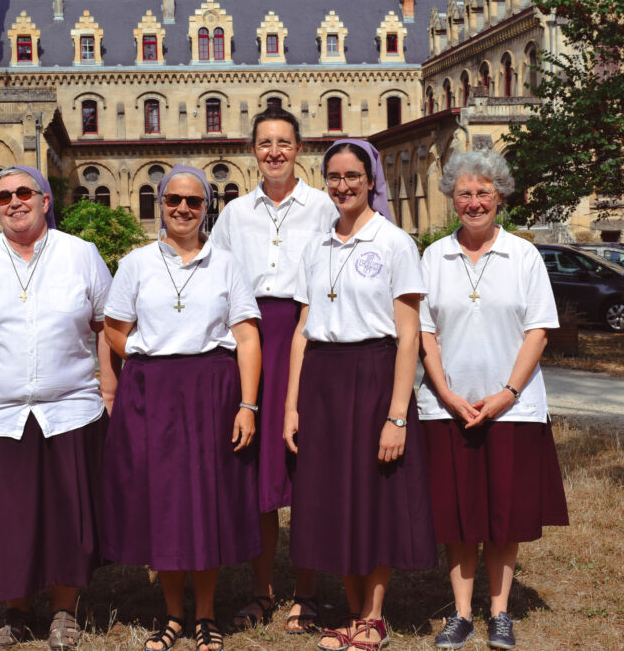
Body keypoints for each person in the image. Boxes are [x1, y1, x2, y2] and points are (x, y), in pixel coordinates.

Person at [0, 165, 115, 650]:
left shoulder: (81, 254)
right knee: (8, 517)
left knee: (66, 514)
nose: (14, 202)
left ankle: (64, 610)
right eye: (3, 196)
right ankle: (15, 612)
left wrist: (109, 391)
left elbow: (107, 326)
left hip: (70, 407)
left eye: (24, 192)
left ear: (44, 199)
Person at [100, 165, 262, 651]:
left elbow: (247, 336)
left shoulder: (226, 263)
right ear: (161, 204)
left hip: (212, 388)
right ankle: (172, 615)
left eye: (194, 201)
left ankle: (207, 615)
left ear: (205, 206)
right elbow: (113, 327)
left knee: (205, 500)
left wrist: (248, 404)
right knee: (164, 501)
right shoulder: (135, 263)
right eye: (174, 200)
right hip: (153, 391)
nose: (183, 209)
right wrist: (151, 359)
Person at [283, 139, 436, 651]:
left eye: (353, 176)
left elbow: (409, 334)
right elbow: (303, 328)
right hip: (322, 380)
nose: (343, 186)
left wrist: (397, 415)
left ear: (372, 181)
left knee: (373, 497)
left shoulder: (394, 243)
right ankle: (351, 610)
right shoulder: (316, 245)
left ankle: (373, 617)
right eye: (334, 177)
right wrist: (291, 405)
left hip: (373, 376)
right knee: (332, 496)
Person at [418, 150, 569, 650]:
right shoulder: (433, 256)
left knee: (504, 517)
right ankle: (461, 614)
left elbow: (538, 332)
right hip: (448, 408)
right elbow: (425, 333)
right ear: (452, 199)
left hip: (513, 410)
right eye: (464, 193)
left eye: (484, 192)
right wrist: (445, 393)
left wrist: (506, 394)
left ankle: (500, 612)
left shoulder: (523, 255)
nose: (474, 202)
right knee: (459, 517)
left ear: (500, 196)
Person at [208, 106, 336, 633]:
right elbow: (214, 278)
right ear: (252, 149)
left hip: (308, 338)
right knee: (259, 469)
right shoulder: (236, 213)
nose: (275, 152)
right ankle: (261, 591)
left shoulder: (325, 206)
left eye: (284, 142)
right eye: (265, 143)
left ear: (298, 149)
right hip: (254, 336)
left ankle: (306, 593)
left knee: (307, 466)